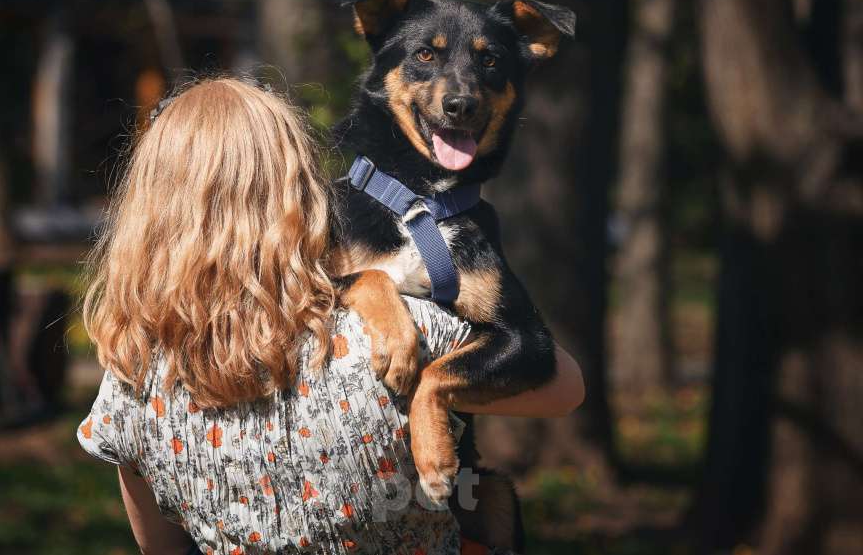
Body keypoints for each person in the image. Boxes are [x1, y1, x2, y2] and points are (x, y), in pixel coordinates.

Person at [76, 77, 584, 555]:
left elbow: (159, 545)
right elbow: (565, 387)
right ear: (300, 193)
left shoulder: (131, 375)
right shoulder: (402, 335)